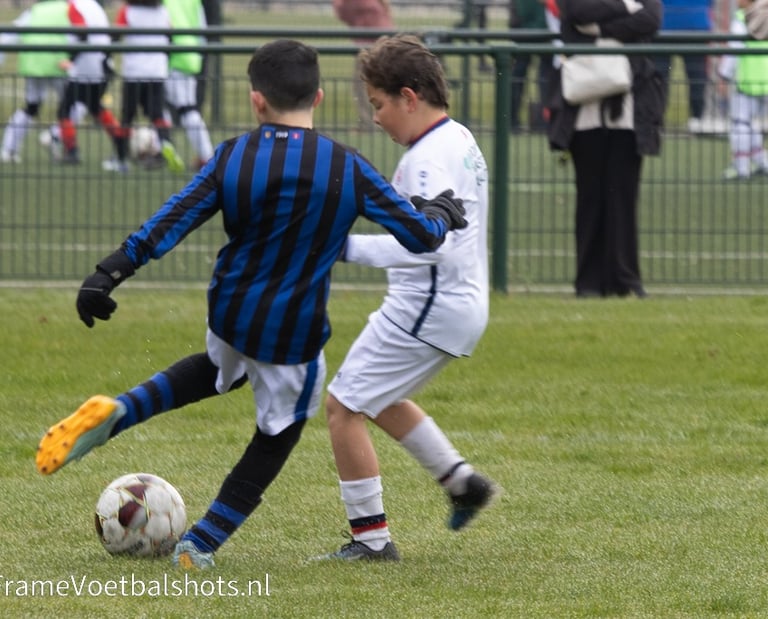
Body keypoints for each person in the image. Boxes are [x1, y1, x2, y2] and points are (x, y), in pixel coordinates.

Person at [34, 39, 468, 570]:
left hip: (229, 311)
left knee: (220, 368)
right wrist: (440, 212)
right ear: (319, 97)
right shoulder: (346, 166)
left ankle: (122, 409)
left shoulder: (233, 155)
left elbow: (172, 219)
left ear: (257, 100)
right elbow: (421, 236)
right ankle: (201, 543)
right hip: (292, 333)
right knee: (277, 434)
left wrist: (109, 272)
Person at [312, 34, 496, 563]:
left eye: (378, 104)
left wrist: (340, 248)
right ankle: (461, 482)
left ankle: (371, 540)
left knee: (343, 406)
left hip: (428, 304)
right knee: (379, 396)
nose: (376, 118)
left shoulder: (424, 159)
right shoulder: (458, 137)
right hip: (459, 302)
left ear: (409, 98)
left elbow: (427, 247)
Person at [546, 0, 664, 299]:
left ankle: (625, 280)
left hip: (630, 111)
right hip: (583, 109)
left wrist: (598, 28)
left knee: (623, 196)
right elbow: (575, 13)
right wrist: (626, 6)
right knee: (590, 196)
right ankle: (588, 282)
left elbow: (650, 19)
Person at [103, 0, 185, 174]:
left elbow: (115, 36)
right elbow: (170, 37)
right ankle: (166, 143)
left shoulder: (128, 11)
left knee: (127, 116)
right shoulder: (162, 11)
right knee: (157, 114)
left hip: (134, 71)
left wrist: (106, 57)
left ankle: (121, 159)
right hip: (157, 70)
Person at [0, 0, 71, 163]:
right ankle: (53, 136)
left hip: (33, 63)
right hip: (58, 63)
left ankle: (9, 149)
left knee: (31, 107)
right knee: (72, 103)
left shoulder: (36, 10)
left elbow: (11, 34)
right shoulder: (68, 8)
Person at [56, 0, 121, 164]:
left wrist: (71, 59)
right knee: (94, 106)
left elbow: (83, 33)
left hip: (86, 67)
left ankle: (71, 151)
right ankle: (121, 143)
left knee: (64, 109)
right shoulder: (93, 4)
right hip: (102, 64)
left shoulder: (75, 7)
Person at [717, 0, 768, 180]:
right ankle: (762, 161)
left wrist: (723, 75)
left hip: (748, 81)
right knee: (750, 125)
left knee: (740, 124)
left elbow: (734, 51)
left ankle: (741, 166)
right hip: (765, 80)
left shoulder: (743, 18)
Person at [163, 0, 215, 170]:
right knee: (167, 105)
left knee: (185, 109)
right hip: (190, 55)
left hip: (172, 57)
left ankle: (206, 156)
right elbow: (202, 28)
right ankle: (163, 147)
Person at [653, 0, 714, 133]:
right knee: (662, 77)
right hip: (687, 26)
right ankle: (695, 118)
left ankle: (695, 118)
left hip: (672, 26)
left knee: (662, 77)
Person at [332, 0, 394, 129]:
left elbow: (343, 12)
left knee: (362, 86)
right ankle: (379, 121)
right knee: (379, 86)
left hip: (371, 46)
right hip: (382, 44)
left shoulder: (361, 3)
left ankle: (369, 123)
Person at [508, 0, 553, 132]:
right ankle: (543, 120)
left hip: (529, 34)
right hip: (540, 35)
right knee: (543, 79)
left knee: (521, 79)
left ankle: (513, 121)